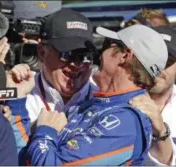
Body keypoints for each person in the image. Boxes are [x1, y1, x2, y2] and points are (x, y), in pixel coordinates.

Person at [9, 24, 167, 166]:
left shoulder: (126, 121)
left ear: (125, 56)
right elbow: (24, 158)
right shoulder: (94, 105)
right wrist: (17, 100)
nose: (98, 54)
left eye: (106, 45)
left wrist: (45, 132)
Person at [130, 26, 176, 165]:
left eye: (167, 61)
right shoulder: (116, 99)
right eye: (151, 58)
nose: (157, 68)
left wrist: (161, 132)